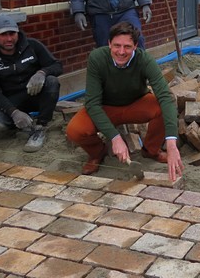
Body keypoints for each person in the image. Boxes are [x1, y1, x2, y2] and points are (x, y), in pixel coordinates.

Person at [66, 21, 183, 181]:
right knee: (75, 130)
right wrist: (115, 138)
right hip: (106, 107)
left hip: (136, 103)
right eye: (116, 46)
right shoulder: (97, 58)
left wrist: (171, 143)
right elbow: (92, 103)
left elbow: (165, 96)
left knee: (164, 106)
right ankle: (97, 153)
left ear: (135, 46)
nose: (121, 52)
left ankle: (151, 150)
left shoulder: (145, 60)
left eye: (127, 46)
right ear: (109, 43)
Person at [0, 15, 63, 152]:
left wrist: (42, 73)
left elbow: (57, 65)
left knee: (52, 82)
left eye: (12, 33)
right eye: (3, 35)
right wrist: (14, 112)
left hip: (35, 93)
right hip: (12, 100)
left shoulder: (32, 46)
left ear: (17, 32)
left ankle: (40, 127)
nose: (9, 39)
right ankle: (24, 126)